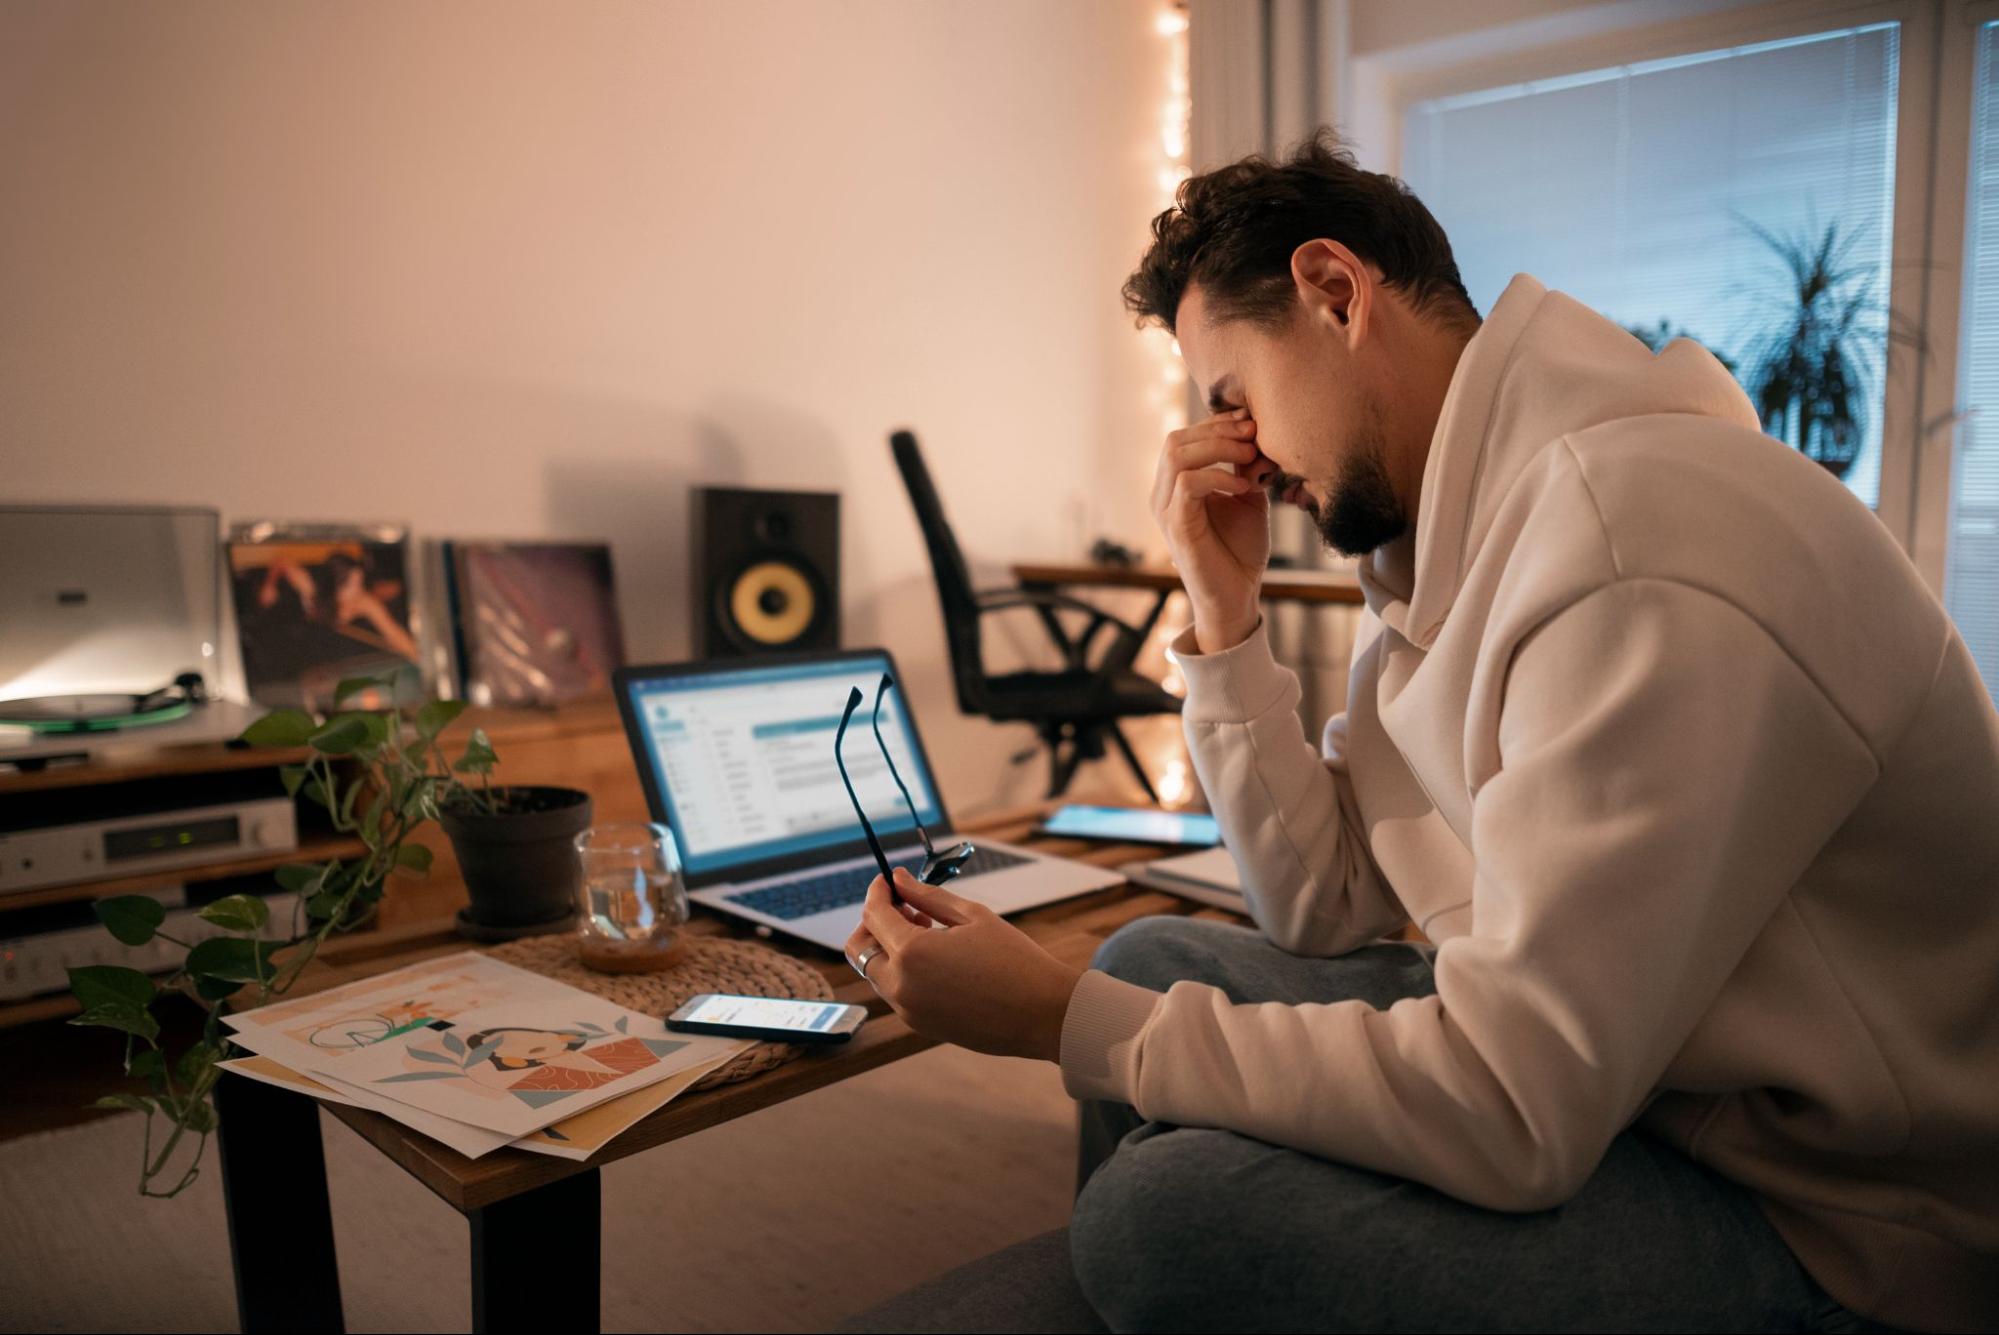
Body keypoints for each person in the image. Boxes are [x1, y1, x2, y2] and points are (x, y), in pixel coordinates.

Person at [843, 130, 1999, 1333]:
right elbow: (1326, 905)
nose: (1231, 450)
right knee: (1142, 958)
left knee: (1162, 1214)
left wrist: (1054, 1020)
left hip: (1843, 1220)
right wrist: (1223, 617)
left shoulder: (1636, 548)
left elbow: (1514, 1104)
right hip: (1650, 1081)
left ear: (1334, 292)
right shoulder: (1441, 542)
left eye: (1232, 397)